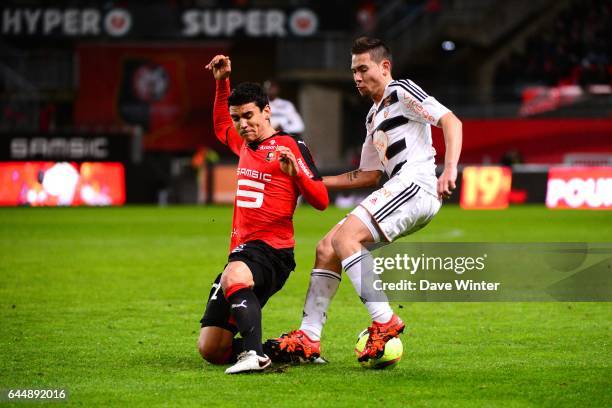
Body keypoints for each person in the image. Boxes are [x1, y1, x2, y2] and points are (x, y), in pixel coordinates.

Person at [267, 36, 462, 363]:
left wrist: (450, 168)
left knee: (346, 238)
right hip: (400, 186)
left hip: (416, 183)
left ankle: (385, 321)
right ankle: (309, 338)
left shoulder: (400, 91)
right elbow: (367, 175)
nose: (356, 77)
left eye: (362, 69)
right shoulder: (373, 116)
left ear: (384, 67)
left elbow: (450, 121)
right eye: (353, 71)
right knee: (327, 248)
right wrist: (306, 179)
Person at [197, 55, 328, 374]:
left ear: (267, 111)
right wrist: (221, 82)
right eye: (237, 117)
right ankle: (288, 350)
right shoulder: (243, 144)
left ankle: (254, 356)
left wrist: (295, 172)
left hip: (272, 250)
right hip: (244, 251)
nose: (243, 124)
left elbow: (322, 200)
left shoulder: (289, 146)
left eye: (249, 116)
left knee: (235, 275)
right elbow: (219, 127)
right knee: (212, 348)